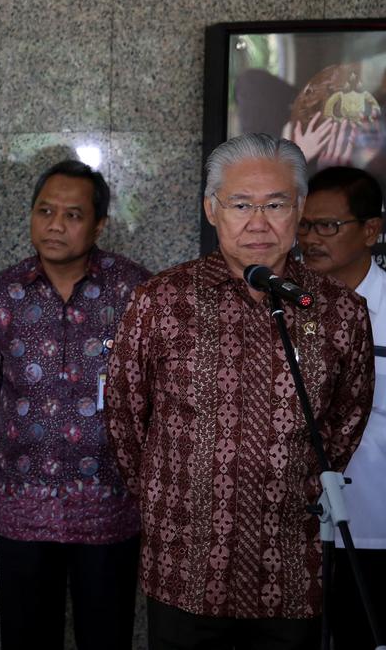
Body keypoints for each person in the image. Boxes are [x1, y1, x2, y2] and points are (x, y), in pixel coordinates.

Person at [106, 134, 373, 649]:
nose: (258, 222)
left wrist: (294, 484)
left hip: (290, 565)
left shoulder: (339, 310)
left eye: (274, 204)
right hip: (185, 563)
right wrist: (170, 499)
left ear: (297, 209)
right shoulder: (160, 301)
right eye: (241, 204)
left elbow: (346, 419)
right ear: (212, 209)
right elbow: (124, 415)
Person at [0, 159, 151, 650]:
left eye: (72, 215)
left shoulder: (136, 292)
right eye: (44, 210)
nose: (55, 225)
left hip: (109, 503)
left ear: (99, 225)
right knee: (27, 635)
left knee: (106, 633)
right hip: (25, 501)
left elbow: (155, 391)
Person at [297, 165, 386, 650]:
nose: (310, 239)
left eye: (327, 226)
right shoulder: (285, 304)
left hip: (375, 527)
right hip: (298, 530)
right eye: (304, 225)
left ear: (371, 230)